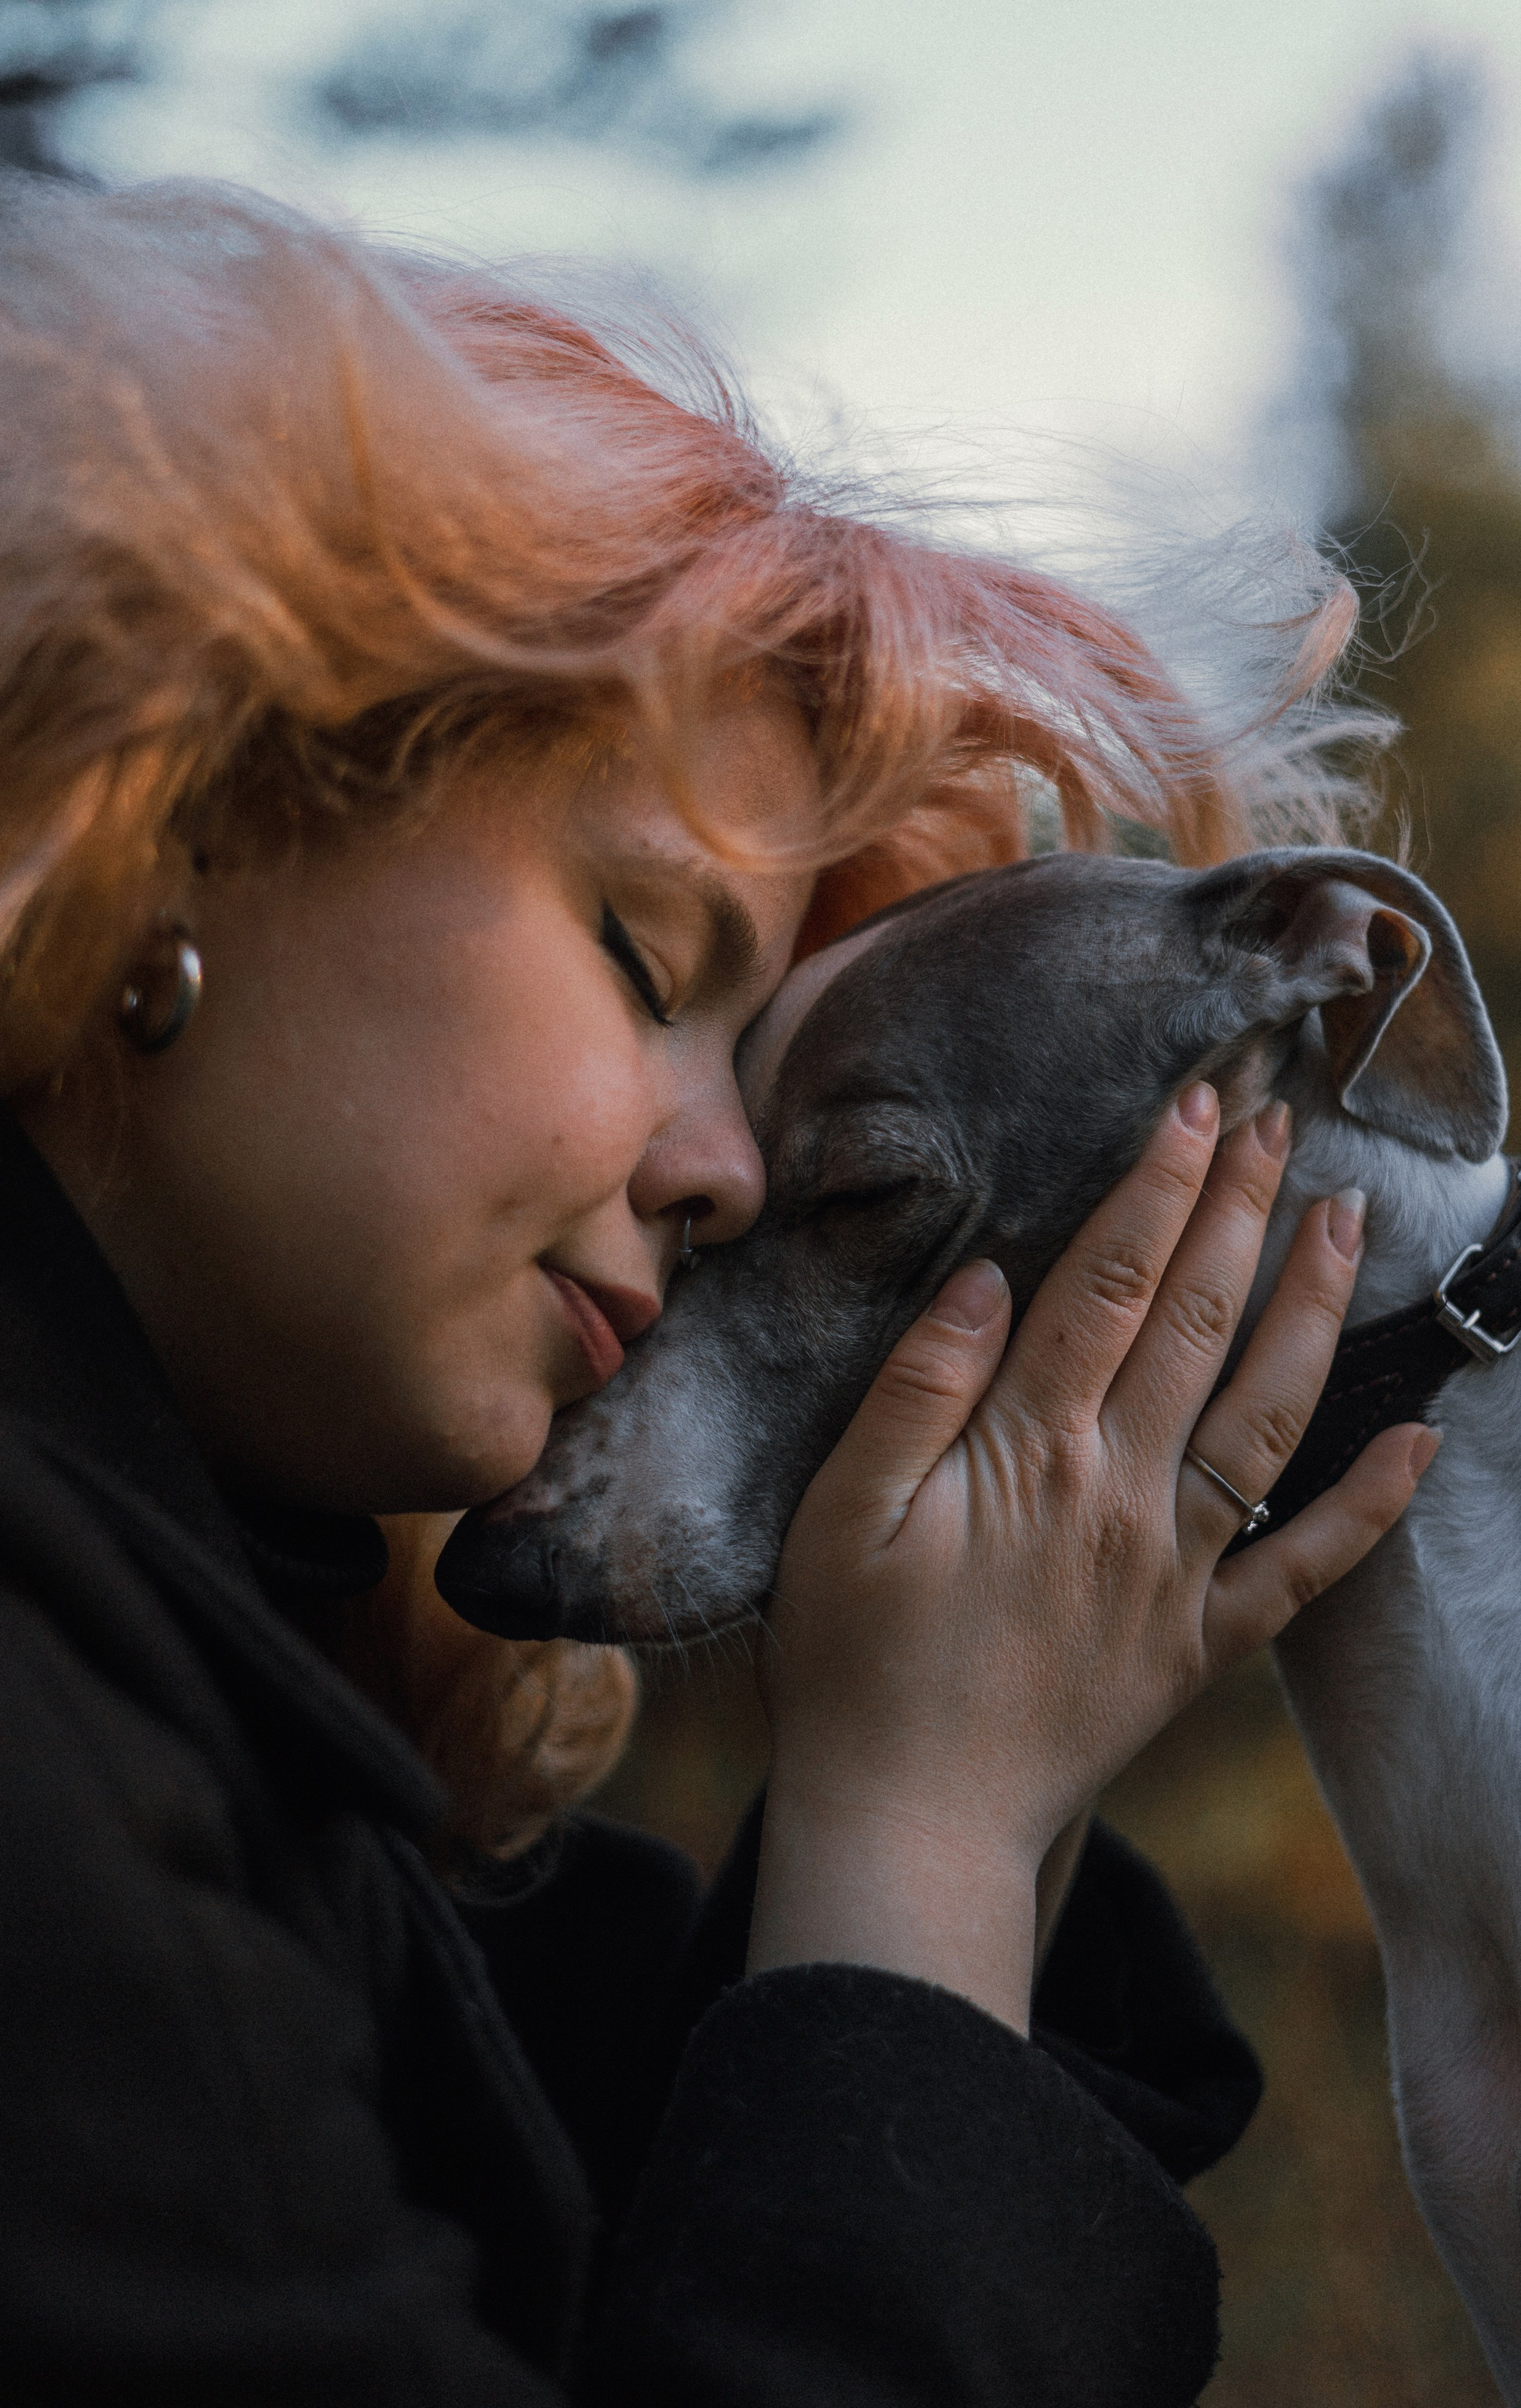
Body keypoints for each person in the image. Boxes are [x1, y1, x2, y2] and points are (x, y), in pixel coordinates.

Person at [0, 175, 1436, 2408]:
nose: (731, 1165)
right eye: (647, 961)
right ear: (177, 805)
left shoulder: (283, 1742)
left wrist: (973, 1725)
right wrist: (923, 1842)